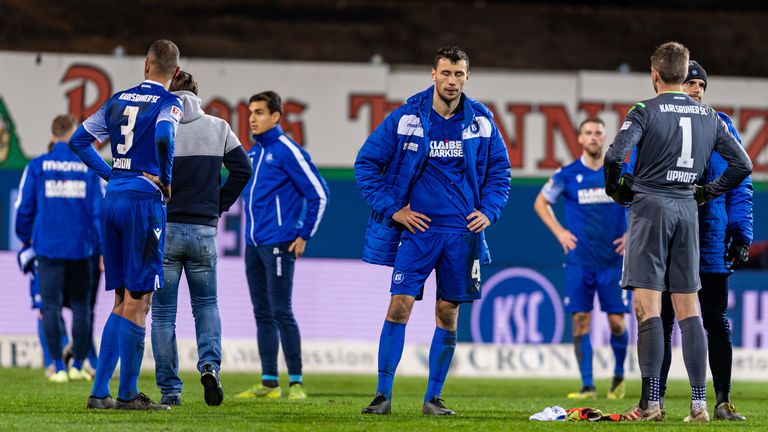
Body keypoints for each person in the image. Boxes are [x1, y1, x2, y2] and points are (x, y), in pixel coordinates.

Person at [355, 46, 511, 416]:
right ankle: (382, 395)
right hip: (419, 232)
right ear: (433, 74)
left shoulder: (482, 121)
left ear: (467, 77)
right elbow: (365, 166)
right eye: (446, 73)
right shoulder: (407, 116)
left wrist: (488, 211)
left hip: (461, 234)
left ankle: (433, 399)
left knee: (447, 313)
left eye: (458, 74)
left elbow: (500, 174)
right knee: (400, 304)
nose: (452, 81)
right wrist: (395, 209)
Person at [604, 41, 752, 422]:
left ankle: (651, 403)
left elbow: (615, 157)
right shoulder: (710, 117)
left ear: (655, 74)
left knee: (648, 308)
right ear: (684, 73)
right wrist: (706, 192)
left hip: (651, 207)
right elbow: (743, 165)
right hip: (689, 210)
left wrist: (618, 189)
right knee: (691, 311)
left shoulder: (643, 111)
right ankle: (700, 404)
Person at [69, 39, 183, 410]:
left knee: (121, 299)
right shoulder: (171, 101)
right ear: (175, 73)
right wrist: (165, 180)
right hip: (143, 203)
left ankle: (99, 392)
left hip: (114, 198)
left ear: (146, 66)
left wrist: (110, 174)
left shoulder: (118, 99)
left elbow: (79, 141)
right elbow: (165, 135)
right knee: (140, 300)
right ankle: (128, 395)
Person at [657, 60, 752, 421]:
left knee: (715, 320)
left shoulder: (720, 125)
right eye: (689, 83)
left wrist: (740, 234)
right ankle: (656, 402)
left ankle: (723, 401)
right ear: (676, 86)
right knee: (662, 320)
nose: (696, 89)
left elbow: (740, 185)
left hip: (711, 238)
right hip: (669, 237)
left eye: (701, 84)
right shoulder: (661, 120)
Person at [151, 70, 252, 407]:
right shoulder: (218, 126)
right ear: (197, 94)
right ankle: (209, 365)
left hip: (165, 229)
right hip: (203, 231)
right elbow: (243, 169)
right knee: (206, 305)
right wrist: (219, 204)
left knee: (163, 315)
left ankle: (170, 391)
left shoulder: (158, 125)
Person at [234, 91, 329, 401]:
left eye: (260, 112)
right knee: (262, 312)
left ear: (276, 117)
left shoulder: (287, 150)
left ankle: (297, 383)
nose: (252, 118)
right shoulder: (253, 153)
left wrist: (304, 234)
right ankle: (269, 382)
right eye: (251, 112)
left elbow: (319, 193)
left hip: (279, 243)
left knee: (281, 312)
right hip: (253, 244)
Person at [533, 117, 630, 400]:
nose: (593, 138)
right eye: (588, 133)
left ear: (605, 138)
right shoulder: (567, 174)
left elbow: (640, 202)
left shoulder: (618, 173)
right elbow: (540, 202)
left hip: (613, 261)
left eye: (598, 133)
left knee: (617, 324)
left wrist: (632, 234)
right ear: (579, 139)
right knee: (580, 320)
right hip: (579, 261)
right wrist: (560, 232)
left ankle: (619, 376)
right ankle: (587, 385)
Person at [15, 114, 102, 383]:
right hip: (82, 248)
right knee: (82, 307)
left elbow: (23, 209)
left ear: (53, 135)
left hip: (48, 248)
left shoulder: (38, 165)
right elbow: (99, 212)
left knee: (50, 307)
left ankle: (57, 367)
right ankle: (78, 364)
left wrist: (27, 238)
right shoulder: (89, 166)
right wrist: (101, 249)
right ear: (73, 133)